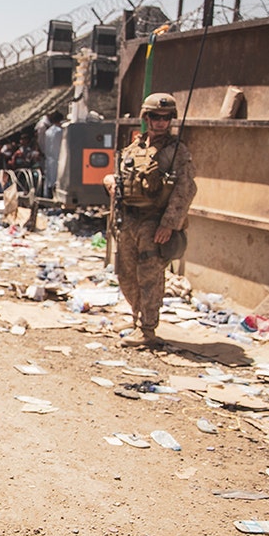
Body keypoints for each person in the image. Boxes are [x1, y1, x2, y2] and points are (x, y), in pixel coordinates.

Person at [105, 92, 197, 347]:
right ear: (146, 117)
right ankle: (136, 318)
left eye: (166, 118)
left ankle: (147, 329)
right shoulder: (134, 147)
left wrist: (169, 224)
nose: (161, 122)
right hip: (129, 220)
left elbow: (185, 190)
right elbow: (121, 177)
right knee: (126, 274)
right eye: (155, 116)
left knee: (150, 276)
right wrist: (109, 181)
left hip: (153, 223)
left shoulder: (176, 151)